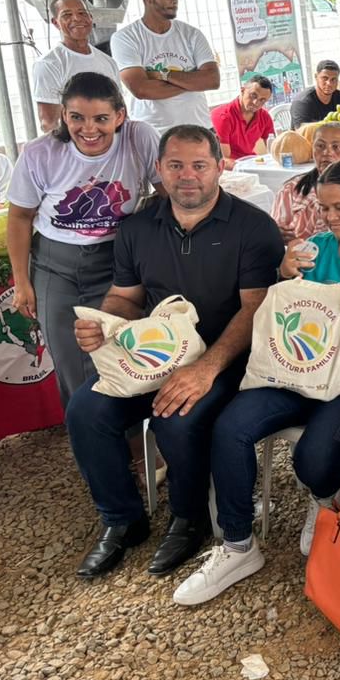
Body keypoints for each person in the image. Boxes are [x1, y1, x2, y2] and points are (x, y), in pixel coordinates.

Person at [173, 161, 340, 604]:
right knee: (230, 428)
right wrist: (283, 275)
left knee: (313, 460)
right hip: (298, 372)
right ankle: (237, 544)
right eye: (324, 208)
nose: (330, 218)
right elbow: (280, 310)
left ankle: (323, 499)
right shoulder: (314, 249)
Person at [65, 125, 285, 578]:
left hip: (228, 357)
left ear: (219, 168)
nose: (188, 176)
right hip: (156, 352)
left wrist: (205, 370)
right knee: (85, 409)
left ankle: (190, 518)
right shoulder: (137, 228)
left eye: (199, 165)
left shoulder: (252, 227)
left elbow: (255, 310)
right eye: (176, 165)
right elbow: (126, 296)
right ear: (159, 170)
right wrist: (105, 324)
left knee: (178, 416)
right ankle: (121, 520)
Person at [6, 72, 162, 408]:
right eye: (77, 117)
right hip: (56, 266)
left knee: (125, 350)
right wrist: (22, 281)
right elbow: (19, 217)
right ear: (63, 115)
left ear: (120, 116)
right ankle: (93, 448)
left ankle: (138, 450)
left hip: (120, 261)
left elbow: (169, 193)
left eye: (101, 119)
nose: (88, 129)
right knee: (71, 359)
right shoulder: (40, 153)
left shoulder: (139, 138)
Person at [112, 0, 219, 131]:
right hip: (155, 134)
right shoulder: (126, 38)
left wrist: (164, 76)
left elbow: (212, 80)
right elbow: (141, 89)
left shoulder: (192, 34)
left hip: (200, 129)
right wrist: (193, 81)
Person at [31, 0, 122, 134]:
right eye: (67, 15)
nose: (77, 18)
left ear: (90, 18)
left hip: (109, 145)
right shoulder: (49, 64)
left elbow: (119, 110)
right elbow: (49, 123)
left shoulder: (108, 62)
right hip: (73, 150)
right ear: (55, 22)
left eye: (82, 13)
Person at [270, 121, 340, 244]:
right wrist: (278, 235)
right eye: (320, 146)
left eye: (336, 147)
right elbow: (275, 234)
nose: (327, 152)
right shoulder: (291, 190)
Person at [210, 76, 276, 166]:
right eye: (253, 95)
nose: (256, 102)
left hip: (250, 162)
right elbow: (224, 161)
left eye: (262, 100)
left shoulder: (264, 117)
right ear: (242, 90)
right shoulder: (223, 117)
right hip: (230, 169)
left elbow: (274, 150)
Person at [291, 59, 340, 129]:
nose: (329, 83)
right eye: (325, 78)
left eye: (333, 79)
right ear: (316, 77)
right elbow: (302, 133)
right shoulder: (302, 103)